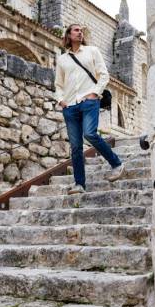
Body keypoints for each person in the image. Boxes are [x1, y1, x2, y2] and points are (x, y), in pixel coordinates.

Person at [54, 24, 125, 194]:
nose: (80, 32)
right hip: (70, 106)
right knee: (76, 146)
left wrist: (95, 93)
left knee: (90, 134)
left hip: (89, 101)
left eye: (81, 31)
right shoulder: (62, 59)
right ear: (69, 35)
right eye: (76, 30)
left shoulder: (92, 51)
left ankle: (117, 164)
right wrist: (61, 100)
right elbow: (58, 84)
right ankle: (79, 184)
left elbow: (104, 75)